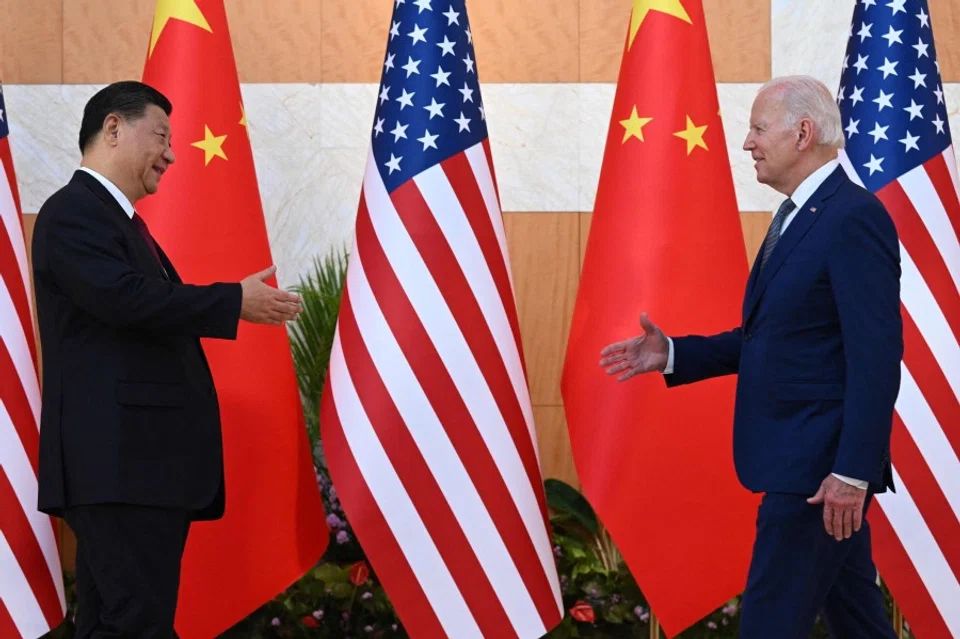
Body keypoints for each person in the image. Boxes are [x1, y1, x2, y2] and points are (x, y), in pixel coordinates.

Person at [598, 75, 902, 638]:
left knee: (768, 624)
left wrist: (852, 473)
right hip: (807, 466)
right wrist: (672, 354)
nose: (748, 143)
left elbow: (876, 357)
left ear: (803, 133)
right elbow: (772, 339)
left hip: (816, 474)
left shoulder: (851, 218)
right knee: (859, 623)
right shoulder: (797, 217)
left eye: (759, 128)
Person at [31, 81, 302, 638]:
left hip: (131, 469)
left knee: (115, 623)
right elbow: (124, 298)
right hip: (120, 467)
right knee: (138, 623)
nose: (173, 154)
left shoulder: (113, 219)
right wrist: (232, 301)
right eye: (160, 136)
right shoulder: (74, 213)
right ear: (113, 129)